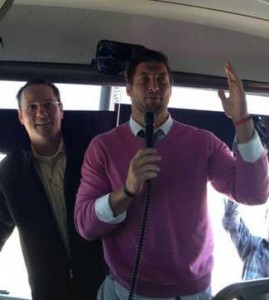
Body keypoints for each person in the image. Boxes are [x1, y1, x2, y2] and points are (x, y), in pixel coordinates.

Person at [75, 49, 269, 300]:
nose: (154, 86)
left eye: (161, 80)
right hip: (125, 289)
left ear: (171, 87)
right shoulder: (103, 147)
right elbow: (85, 225)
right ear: (129, 89)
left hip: (191, 291)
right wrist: (126, 191)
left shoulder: (202, 142)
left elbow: (253, 193)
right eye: (144, 79)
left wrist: (242, 121)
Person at [0, 79, 106, 300]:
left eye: (48, 104)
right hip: (47, 288)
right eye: (32, 106)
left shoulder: (90, 156)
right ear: (20, 116)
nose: (42, 113)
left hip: (101, 282)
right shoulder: (8, 171)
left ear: (61, 110)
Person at [222, 197, 269, 280]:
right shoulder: (252, 246)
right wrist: (234, 192)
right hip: (253, 293)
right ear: (265, 218)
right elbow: (231, 223)